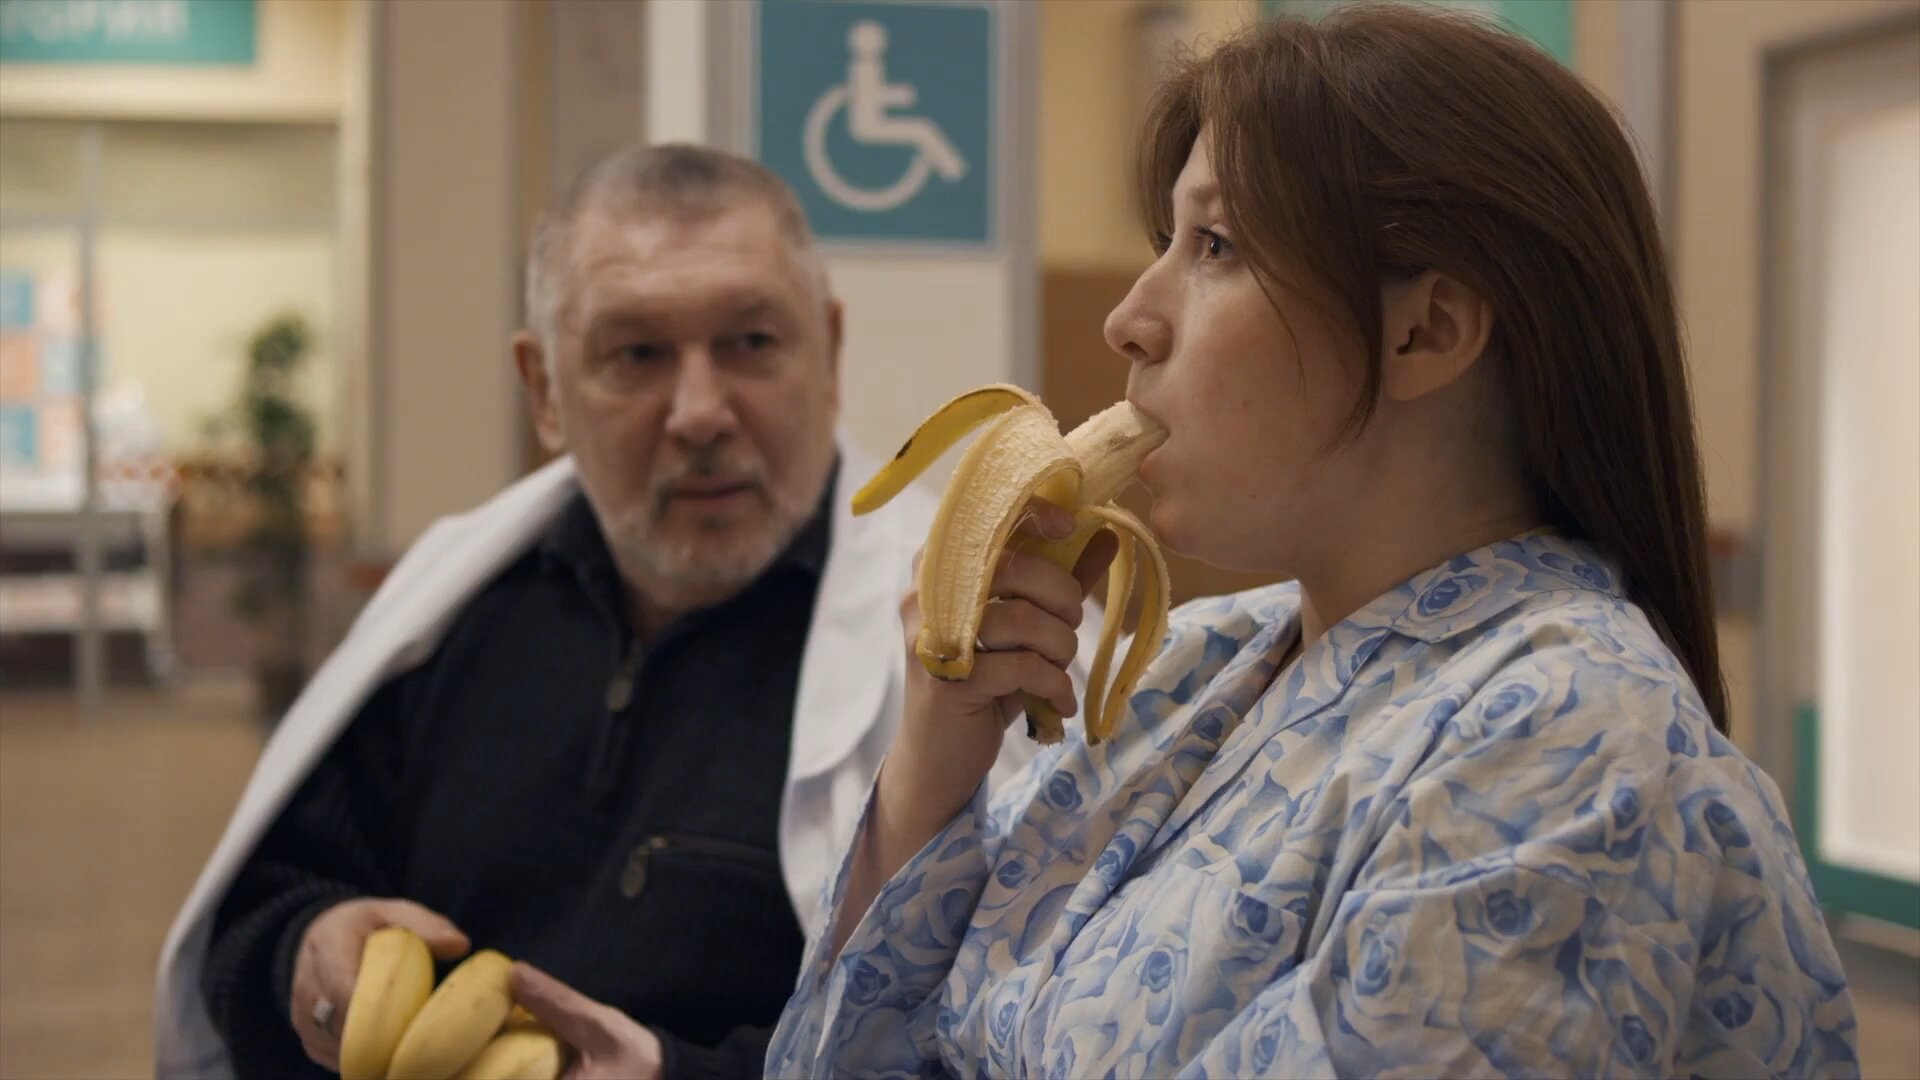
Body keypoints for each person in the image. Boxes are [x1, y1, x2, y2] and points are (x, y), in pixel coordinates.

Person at [768, 8, 1860, 1079]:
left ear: (1425, 330)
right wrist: (933, 764)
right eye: (1166, 243)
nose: (1129, 320)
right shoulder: (1190, 665)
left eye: (1216, 245)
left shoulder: (1571, 738)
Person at [153, 143, 1085, 1079]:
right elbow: (263, 905)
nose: (700, 412)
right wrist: (306, 946)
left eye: (751, 344)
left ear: (829, 351)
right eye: (637, 355)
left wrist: (674, 1072)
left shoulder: (971, 655)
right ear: (543, 391)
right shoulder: (455, 611)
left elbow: (1005, 1041)